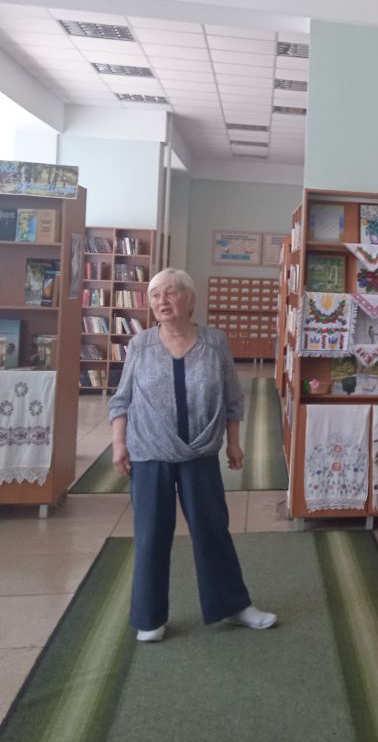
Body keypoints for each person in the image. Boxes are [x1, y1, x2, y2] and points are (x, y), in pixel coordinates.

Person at [109, 268, 276, 643]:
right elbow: (121, 399)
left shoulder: (215, 342)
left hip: (201, 451)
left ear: (191, 300)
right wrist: (119, 443)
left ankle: (233, 606)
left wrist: (234, 442)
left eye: (171, 293)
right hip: (149, 451)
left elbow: (233, 397)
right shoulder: (140, 345)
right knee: (152, 534)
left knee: (212, 529)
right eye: (155, 295)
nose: (162, 301)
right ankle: (149, 617)